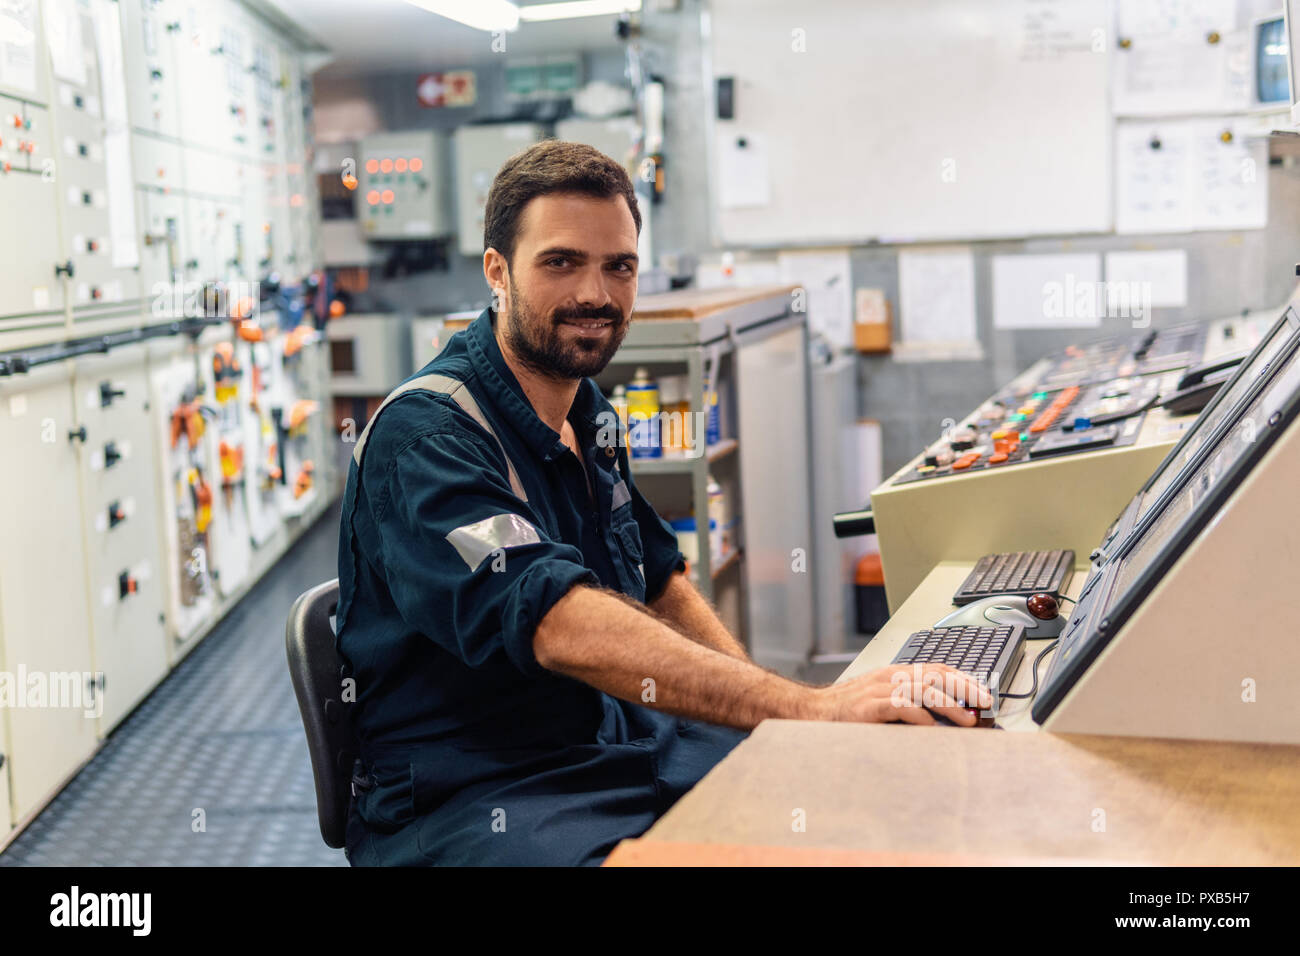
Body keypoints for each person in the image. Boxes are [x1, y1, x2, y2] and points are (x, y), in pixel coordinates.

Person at [335, 140, 990, 866]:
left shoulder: (587, 411)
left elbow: (657, 578)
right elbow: (554, 621)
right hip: (479, 791)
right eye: (561, 262)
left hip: (611, 745)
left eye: (619, 265)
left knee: (851, 797)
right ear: (497, 271)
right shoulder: (427, 436)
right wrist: (806, 706)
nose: (596, 294)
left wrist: (782, 723)